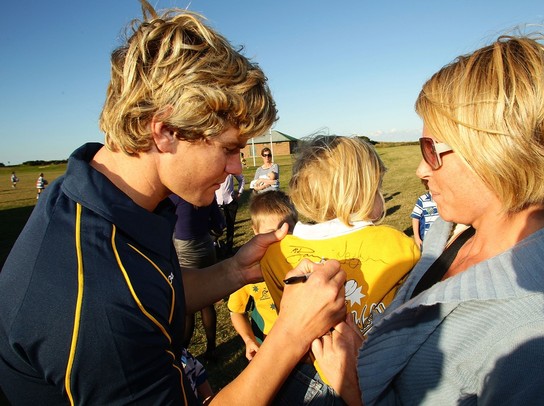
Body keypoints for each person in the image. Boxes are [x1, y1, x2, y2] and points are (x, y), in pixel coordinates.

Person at [0, 2, 346, 404]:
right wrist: (291, 335)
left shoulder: (106, 197)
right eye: (229, 148)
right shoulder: (97, 300)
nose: (237, 168)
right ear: (165, 132)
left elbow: (155, 290)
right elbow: (125, 302)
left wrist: (236, 270)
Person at [312, 32, 544, 405]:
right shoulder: (452, 232)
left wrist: (353, 386)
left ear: (497, 152)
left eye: (431, 149)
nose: (421, 170)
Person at [261, 135, 420, 404]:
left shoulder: (276, 254)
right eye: (378, 186)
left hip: (297, 378)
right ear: (362, 192)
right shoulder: (399, 247)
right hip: (369, 372)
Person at [228, 190, 298, 360]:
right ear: (255, 231)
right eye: (271, 232)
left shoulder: (307, 260)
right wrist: (249, 340)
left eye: (288, 229)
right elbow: (236, 311)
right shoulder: (249, 270)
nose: (281, 237)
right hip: (269, 343)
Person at [170, 194, 225, 358]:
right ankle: (212, 348)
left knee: (188, 305)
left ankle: (183, 352)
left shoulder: (175, 196)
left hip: (185, 248)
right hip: (206, 246)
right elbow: (219, 224)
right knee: (207, 301)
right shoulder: (207, 193)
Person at [215, 173, 245, 257]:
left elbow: (241, 179)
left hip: (230, 202)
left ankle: (229, 249)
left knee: (230, 226)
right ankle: (216, 247)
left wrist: (240, 192)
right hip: (217, 203)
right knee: (217, 226)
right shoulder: (214, 169)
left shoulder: (230, 169)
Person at [410, 179, 439, 249]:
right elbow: (415, 218)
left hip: (441, 237)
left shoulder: (445, 199)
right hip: (427, 238)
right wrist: (417, 238)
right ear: (426, 184)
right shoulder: (422, 200)